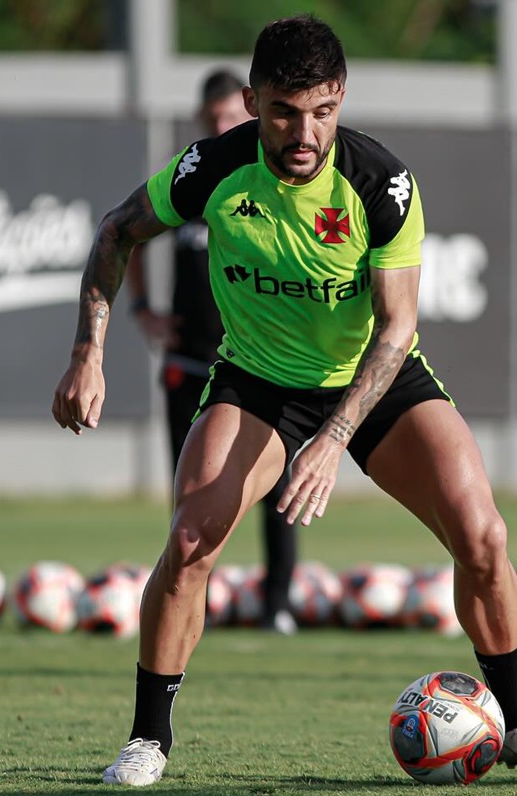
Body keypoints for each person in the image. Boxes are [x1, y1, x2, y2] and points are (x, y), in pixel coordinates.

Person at [51, 14, 517, 787]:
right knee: (192, 543)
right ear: (253, 101)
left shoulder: (381, 183)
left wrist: (335, 437)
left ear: (340, 101)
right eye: (284, 111)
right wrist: (86, 354)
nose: (305, 132)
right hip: (259, 384)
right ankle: (148, 740)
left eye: (323, 111)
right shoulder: (213, 168)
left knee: (484, 536)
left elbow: (399, 328)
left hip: (375, 379)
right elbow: (116, 233)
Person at [125, 69, 298, 636]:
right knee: (192, 500)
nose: (222, 126)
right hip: (191, 364)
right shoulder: (196, 176)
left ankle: (277, 604)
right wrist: (143, 310)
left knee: (277, 493)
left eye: (232, 117)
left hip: (262, 371)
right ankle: (199, 601)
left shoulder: (270, 181)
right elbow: (125, 233)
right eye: (213, 118)